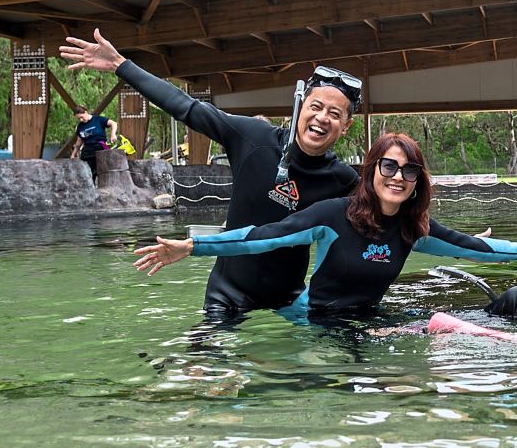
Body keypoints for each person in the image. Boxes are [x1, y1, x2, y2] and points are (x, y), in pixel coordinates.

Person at [60, 28, 360, 323]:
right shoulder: (253, 137)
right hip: (228, 294)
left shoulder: (342, 180)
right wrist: (120, 65)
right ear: (300, 107)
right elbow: (186, 107)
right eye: (316, 106)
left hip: (291, 299)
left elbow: (385, 223)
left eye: (335, 114)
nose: (322, 118)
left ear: (345, 126)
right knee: (199, 368)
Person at [133, 133, 517, 317]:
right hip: (317, 321)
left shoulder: (414, 227)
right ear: (372, 170)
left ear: (417, 182)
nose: (397, 176)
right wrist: (193, 246)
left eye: (409, 170)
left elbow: (479, 250)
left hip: (367, 320)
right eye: (388, 165)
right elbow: (262, 238)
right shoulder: (332, 214)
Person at [70, 105, 117, 181]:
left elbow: (113, 123)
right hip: (87, 151)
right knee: (87, 173)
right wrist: (73, 154)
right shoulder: (80, 126)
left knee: (102, 172)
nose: (81, 120)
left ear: (86, 112)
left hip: (101, 148)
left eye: (82, 117)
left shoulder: (98, 120)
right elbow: (79, 141)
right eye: (79, 119)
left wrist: (113, 134)